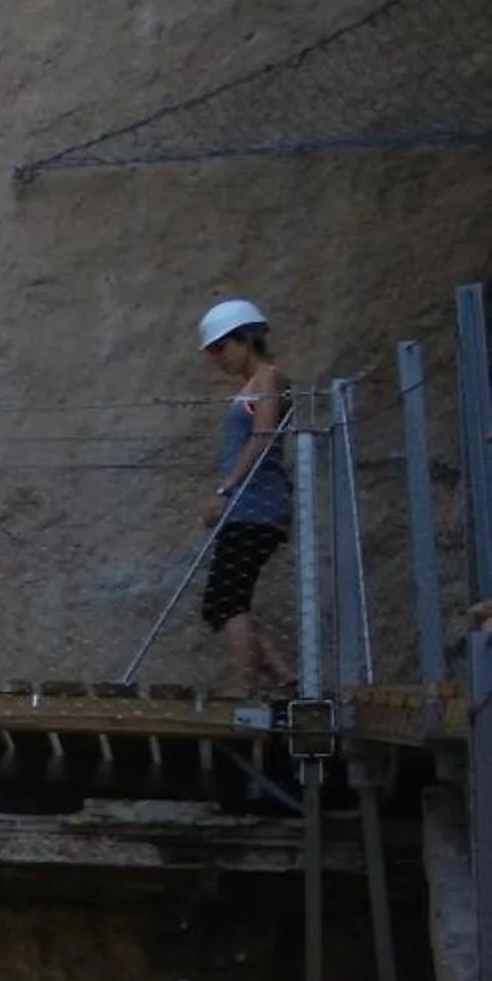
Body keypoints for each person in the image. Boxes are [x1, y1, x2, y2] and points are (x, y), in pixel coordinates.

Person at [196, 298, 291, 696]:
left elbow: (263, 435)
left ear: (245, 339)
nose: (218, 358)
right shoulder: (251, 386)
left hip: (258, 503)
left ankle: (244, 683)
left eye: (221, 347)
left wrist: (225, 488)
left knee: (224, 599)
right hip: (247, 505)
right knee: (227, 598)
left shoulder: (269, 378)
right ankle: (284, 674)